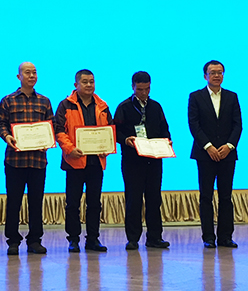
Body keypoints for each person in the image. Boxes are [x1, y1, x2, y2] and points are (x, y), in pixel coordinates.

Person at [0, 62, 54, 255]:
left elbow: (51, 125)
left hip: (38, 160)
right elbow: (1, 124)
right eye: (27, 72)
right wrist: (7, 136)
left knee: (36, 202)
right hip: (15, 160)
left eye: (34, 72)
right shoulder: (8, 100)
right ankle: (13, 241)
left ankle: (35, 240)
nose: (31, 76)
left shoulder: (45, 101)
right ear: (18, 76)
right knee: (14, 202)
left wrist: (48, 139)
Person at [54, 69, 112, 253]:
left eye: (91, 82)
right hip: (74, 162)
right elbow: (59, 130)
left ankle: (93, 239)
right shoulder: (65, 105)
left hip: (96, 162)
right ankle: (73, 239)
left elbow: (109, 131)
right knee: (72, 203)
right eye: (85, 82)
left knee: (94, 203)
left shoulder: (102, 105)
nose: (89, 85)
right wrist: (70, 149)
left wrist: (107, 146)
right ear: (76, 84)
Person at [114, 71, 171, 250]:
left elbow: (164, 128)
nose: (144, 93)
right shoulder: (124, 107)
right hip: (133, 161)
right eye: (140, 89)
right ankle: (133, 238)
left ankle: (154, 237)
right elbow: (115, 131)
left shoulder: (156, 106)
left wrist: (167, 141)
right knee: (134, 199)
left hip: (154, 160)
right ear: (133, 87)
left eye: (147, 89)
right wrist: (126, 140)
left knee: (154, 199)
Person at [188, 60, 242, 249]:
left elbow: (238, 124)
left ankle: (226, 237)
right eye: (213, 72)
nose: (217, 75)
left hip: (227, 154)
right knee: (206, 196)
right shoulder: (196, 97)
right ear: (205, 76)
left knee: (226, 196)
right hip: (205, 155)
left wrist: (229, 146)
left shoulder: (232, 96)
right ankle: (208, 237)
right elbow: (194, 124)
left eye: (220, 72)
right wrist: (208, 147)